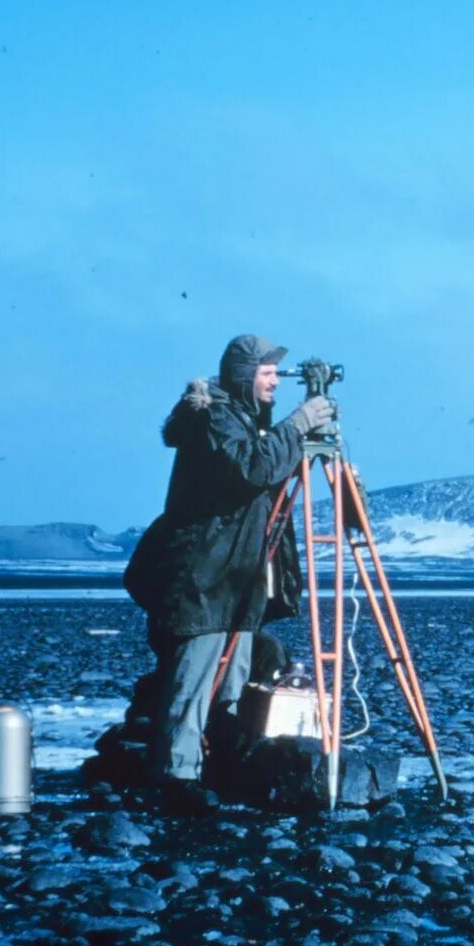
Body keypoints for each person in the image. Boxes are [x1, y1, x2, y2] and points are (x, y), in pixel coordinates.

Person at [123, 334, 335, 812]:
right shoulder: (214, 418)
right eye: (266, 374)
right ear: (243, 376)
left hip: (235, 575)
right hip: (205, 574)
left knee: (232, 677)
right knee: (195, 675)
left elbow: (268, 470)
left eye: (277, 374)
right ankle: (175, 777)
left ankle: (220, 765)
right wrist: (300, 423)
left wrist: (295, 429)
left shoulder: (242, 420)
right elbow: (251, 470)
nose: (275, 383)